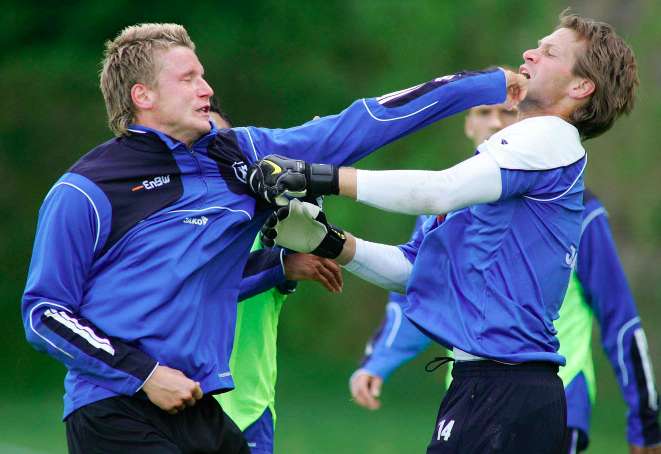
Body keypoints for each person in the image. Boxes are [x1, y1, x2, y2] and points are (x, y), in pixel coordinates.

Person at [21, 22, 524, 452]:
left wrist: (483, 85)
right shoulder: (85, 190)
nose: (206, 89)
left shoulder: (241, 155)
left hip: (197, 405)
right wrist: (145, 374)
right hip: (113, 409)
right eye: (188, 78)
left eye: (203, 75)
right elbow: (44, 314)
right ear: (142, 96)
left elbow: (362, 123)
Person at [248, 11, 639, 453]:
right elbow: (414, 272)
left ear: (580, 88)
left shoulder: (551, 135)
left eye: (550, 52)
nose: (530, 53)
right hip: (487, 386)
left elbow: (437, 192)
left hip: (507, 391)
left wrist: (320, 176)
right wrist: (331, 243)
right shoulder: (499, 173)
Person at [350, 103, 661, 453]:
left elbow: (619, 317)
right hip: (469, 388)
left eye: (509, 112)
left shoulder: (574, 209)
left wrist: (645, 419)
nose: (496, 121)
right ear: (468, 124)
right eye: (484, 112)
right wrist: (380, 360)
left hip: (554, 397)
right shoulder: (445, 204)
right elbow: (421, 289)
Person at [209, 101, 344, 454]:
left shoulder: (265, 222)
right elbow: (196, 282)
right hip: (167, 404)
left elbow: (300, 235)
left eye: (220, 143)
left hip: (246, 413)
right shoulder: (157, 223)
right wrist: (281, 264)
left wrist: (313, 172)